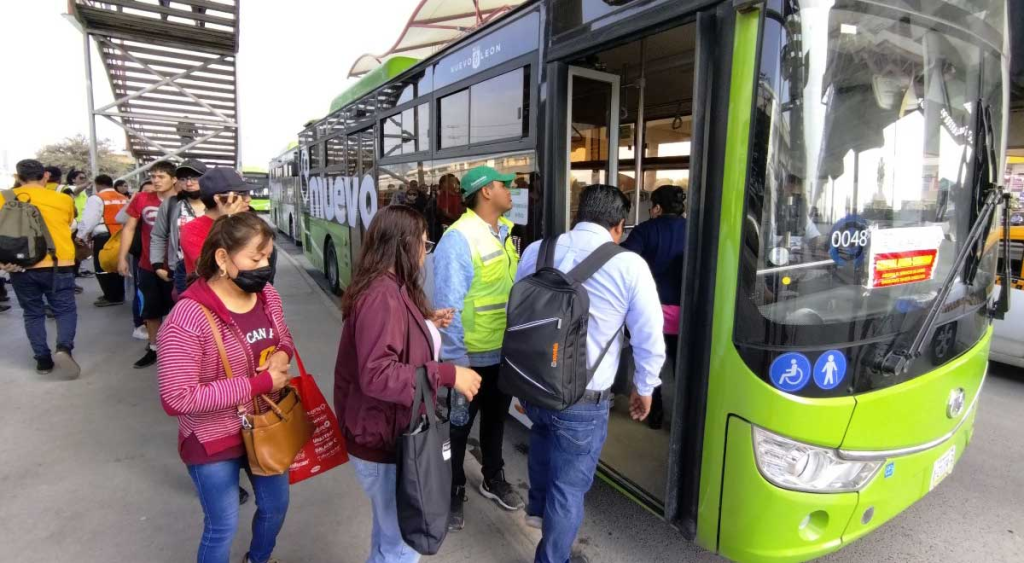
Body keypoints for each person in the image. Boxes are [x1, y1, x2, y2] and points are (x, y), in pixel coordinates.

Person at [515, 185, 665, 563]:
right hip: (583, 401)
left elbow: (517, 313)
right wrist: (644, 388)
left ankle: (536, 510)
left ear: (579, 214)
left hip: (534, 382)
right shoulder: (629, 265)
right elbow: (649, 337)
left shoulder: (537, 250)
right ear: (619, 225)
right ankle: (552, 558)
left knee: (542, 445)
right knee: (568, 489)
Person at [334, 205, 482, 563]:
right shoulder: (382, 296)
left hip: (384, 432)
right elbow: (378, 374)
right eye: (424, 243)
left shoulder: (390, 287)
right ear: (404, 244)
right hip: (383, 438)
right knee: (402, 545)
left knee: (389, 536)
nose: (425, 252)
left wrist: (425, 321)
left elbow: (392, 340)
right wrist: (449, 375)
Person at [158, 213, 294, 563]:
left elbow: (284, 338)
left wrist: (282, 355)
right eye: (255, 257)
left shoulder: (267, 296)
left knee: (275, 507)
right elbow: (177, 397)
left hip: (266, 427)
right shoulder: (187, 318)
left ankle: (259, 558)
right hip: (211, 437)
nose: (264, 266)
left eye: (268, 257)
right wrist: (259, 383)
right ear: (222, 258)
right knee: (222, 525)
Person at [432, 165, 524, 530]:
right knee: (457, 426)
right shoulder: (460, 238)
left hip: (502, 351)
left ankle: (493, 476)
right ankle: (453, 488)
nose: (511, 192)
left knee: (497, 420)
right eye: (505, 186)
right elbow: (446, 307)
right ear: (486, 192)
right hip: (469, 356)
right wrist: (457, 362)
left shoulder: (505, 234)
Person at [0, 159, 81, 376]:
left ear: (17, 177)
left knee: (32, 312)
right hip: (59, 263)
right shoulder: (63, 199)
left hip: (20, 264)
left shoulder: (3, 197)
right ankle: (64, 348)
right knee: (64, 309)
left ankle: (43, 360)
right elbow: (69, 223)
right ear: (45, 175)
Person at [620, 184, 687, 429]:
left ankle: (655, 413)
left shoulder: (645, 230)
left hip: (651, 313)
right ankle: (684, 420)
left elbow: (623, 259)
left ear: (657, 207)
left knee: (651, 364)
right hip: (686, 316)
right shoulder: (695, 229)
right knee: (682, 370)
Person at [118, 160, 179, 368]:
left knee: (180, 312)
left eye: (161, 176)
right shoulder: (142, 199)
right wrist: (122, 258)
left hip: (178, 266)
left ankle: (179, 353)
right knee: (151, 311)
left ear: (174, 179)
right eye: (153, 176)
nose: (156, 181)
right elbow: (129, 228)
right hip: (147, 265)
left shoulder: (183, 202)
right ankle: (154, 348)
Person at [180, 168, 253, 278]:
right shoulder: (191, 230)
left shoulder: (246, 222)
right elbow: (211, 268)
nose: (248, 199)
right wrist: (226, 221)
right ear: (219, 199)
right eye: (242, 194)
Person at [151, 159, 208, 297]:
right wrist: (157, 265)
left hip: (213, 270)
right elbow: (158, 235)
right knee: (187, 312)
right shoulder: (171, 204)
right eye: (183, 179)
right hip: (182, 271)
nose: (189, 183)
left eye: (195, 178)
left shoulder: (217, 203)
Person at [76, 174, 129, 307]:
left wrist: (81, 235)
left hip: (104, 237)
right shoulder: (123, 197)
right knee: (117, 266)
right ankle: (117, 294)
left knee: (102, 267)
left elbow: (90, 219)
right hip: (121, 236)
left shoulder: (97, 198)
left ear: (98, 184)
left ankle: (111, 296)